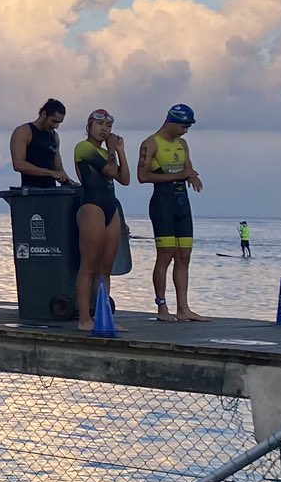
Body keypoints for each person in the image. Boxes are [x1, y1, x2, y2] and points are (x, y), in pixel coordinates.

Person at [139, 104, 206, 322]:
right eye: (184, 126)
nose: (186, 131)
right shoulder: (151, 144)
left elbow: (188, 169)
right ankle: (162, 306)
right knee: (165, 255)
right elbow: (143, 176)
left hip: (182, 204)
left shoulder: (183, 144)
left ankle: (183, 308)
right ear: (172, 121)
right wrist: (179, 176)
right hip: (162, 203)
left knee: (184, 256)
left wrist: (192, 177)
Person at [73, 109, 130, 331]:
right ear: (89, 126)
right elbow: (108, 170)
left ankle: (104, 315)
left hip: (110, 204)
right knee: (89, 264)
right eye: (99, 125)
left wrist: (121, 151)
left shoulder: (108, 152)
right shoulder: (84, 148)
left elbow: (124, 179)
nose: (104, 129)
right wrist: (113, 151)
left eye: (108, 126)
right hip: (92, 205)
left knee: (106, 266)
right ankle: (85, 318)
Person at [10, 99, 71, 188]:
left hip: (51, 192)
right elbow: (18, 164)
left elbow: (58, 169)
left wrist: (69, 182)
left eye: (59, 123)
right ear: (43, 114)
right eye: (54, 121)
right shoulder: (23, 132)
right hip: (31, 193)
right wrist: (51, 173)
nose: (56, 126)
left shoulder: (54, 136)